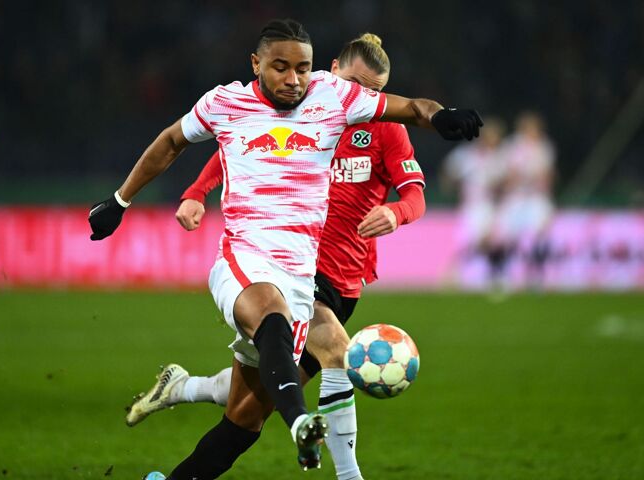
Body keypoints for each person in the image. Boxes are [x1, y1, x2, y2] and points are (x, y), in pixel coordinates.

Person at [88, 19, 482, 479]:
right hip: (248, 258)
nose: (294, 79)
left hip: (316, 276)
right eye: (281, 68)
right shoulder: (230, 103)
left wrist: (440, 117)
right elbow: (194, 143)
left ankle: (183, 396)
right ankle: (314, 438)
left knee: (244, 420)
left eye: (302, 69)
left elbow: (413, 111)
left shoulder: (341, 103)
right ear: (257, 64)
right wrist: (131, 199)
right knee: (319, 342)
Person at [440, 116, 507, 287]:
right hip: (470, 206)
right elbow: (449, 175)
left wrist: (498, 187)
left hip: (489, 206)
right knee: (467, 243)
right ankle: (455, 275)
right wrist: (455, 186)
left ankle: (493, 276)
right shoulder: (466, 155)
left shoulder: (499, 158)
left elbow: (506, 183)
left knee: (491, 243)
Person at [492, 111, 555, 288]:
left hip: (535, 197)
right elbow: (507, 174)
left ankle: (536, 275)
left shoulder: (544, 147)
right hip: (516, 197)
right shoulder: (512, 146)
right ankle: (501, 275)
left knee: (539, 235)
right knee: (506, 237)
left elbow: (547, 174)